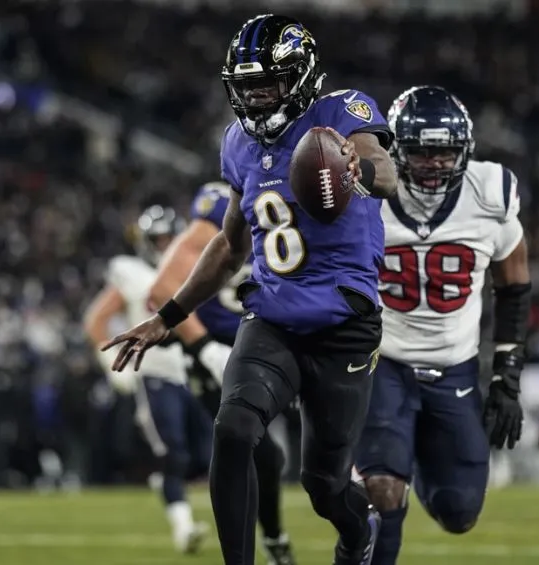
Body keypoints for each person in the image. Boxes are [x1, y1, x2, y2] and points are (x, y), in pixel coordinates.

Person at [101, 14, 398, 565]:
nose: (256, 97)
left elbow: (386, 171)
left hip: (344, 324)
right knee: (234, 427)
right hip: (273, 318)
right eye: (247, 86)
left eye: (268, 84)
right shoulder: (238, 143)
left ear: (300, 77)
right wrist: (168, 316)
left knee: (324, 485)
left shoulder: (342, 111)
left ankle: (358, 535)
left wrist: (360, 167)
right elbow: (230, 246)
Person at [355, 85, 529, 565]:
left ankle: (407, 458)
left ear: (465, 151)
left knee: (459, 511)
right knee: (384, 489)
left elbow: (514, 286)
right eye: (421, 151)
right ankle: (384, 473)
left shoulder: (491, 194)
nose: (433, 163)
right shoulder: (366, 193)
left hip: (454, 369)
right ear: (396, 150)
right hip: (383, 362)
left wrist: (507, 375)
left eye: (445, 152)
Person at [148, 180, 295, 565]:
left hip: (268, 343)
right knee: (255, 450)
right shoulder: (217, 210)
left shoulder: (295, 202)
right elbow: (161, 289)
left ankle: (277, 536)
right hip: (218, 352)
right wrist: (204, 347)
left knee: (294, 454)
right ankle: (270, 541)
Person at [83, 205, 212, 554]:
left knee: (208, 455)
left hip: (192, 370)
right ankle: (184, 527)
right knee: (174, 452)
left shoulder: (193, 267)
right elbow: (96, 321)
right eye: (158, 239)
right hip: (153, 372)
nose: (165, 245)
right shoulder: (132, 272)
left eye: (170, 238)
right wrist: (110, 363)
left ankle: (166, 484)